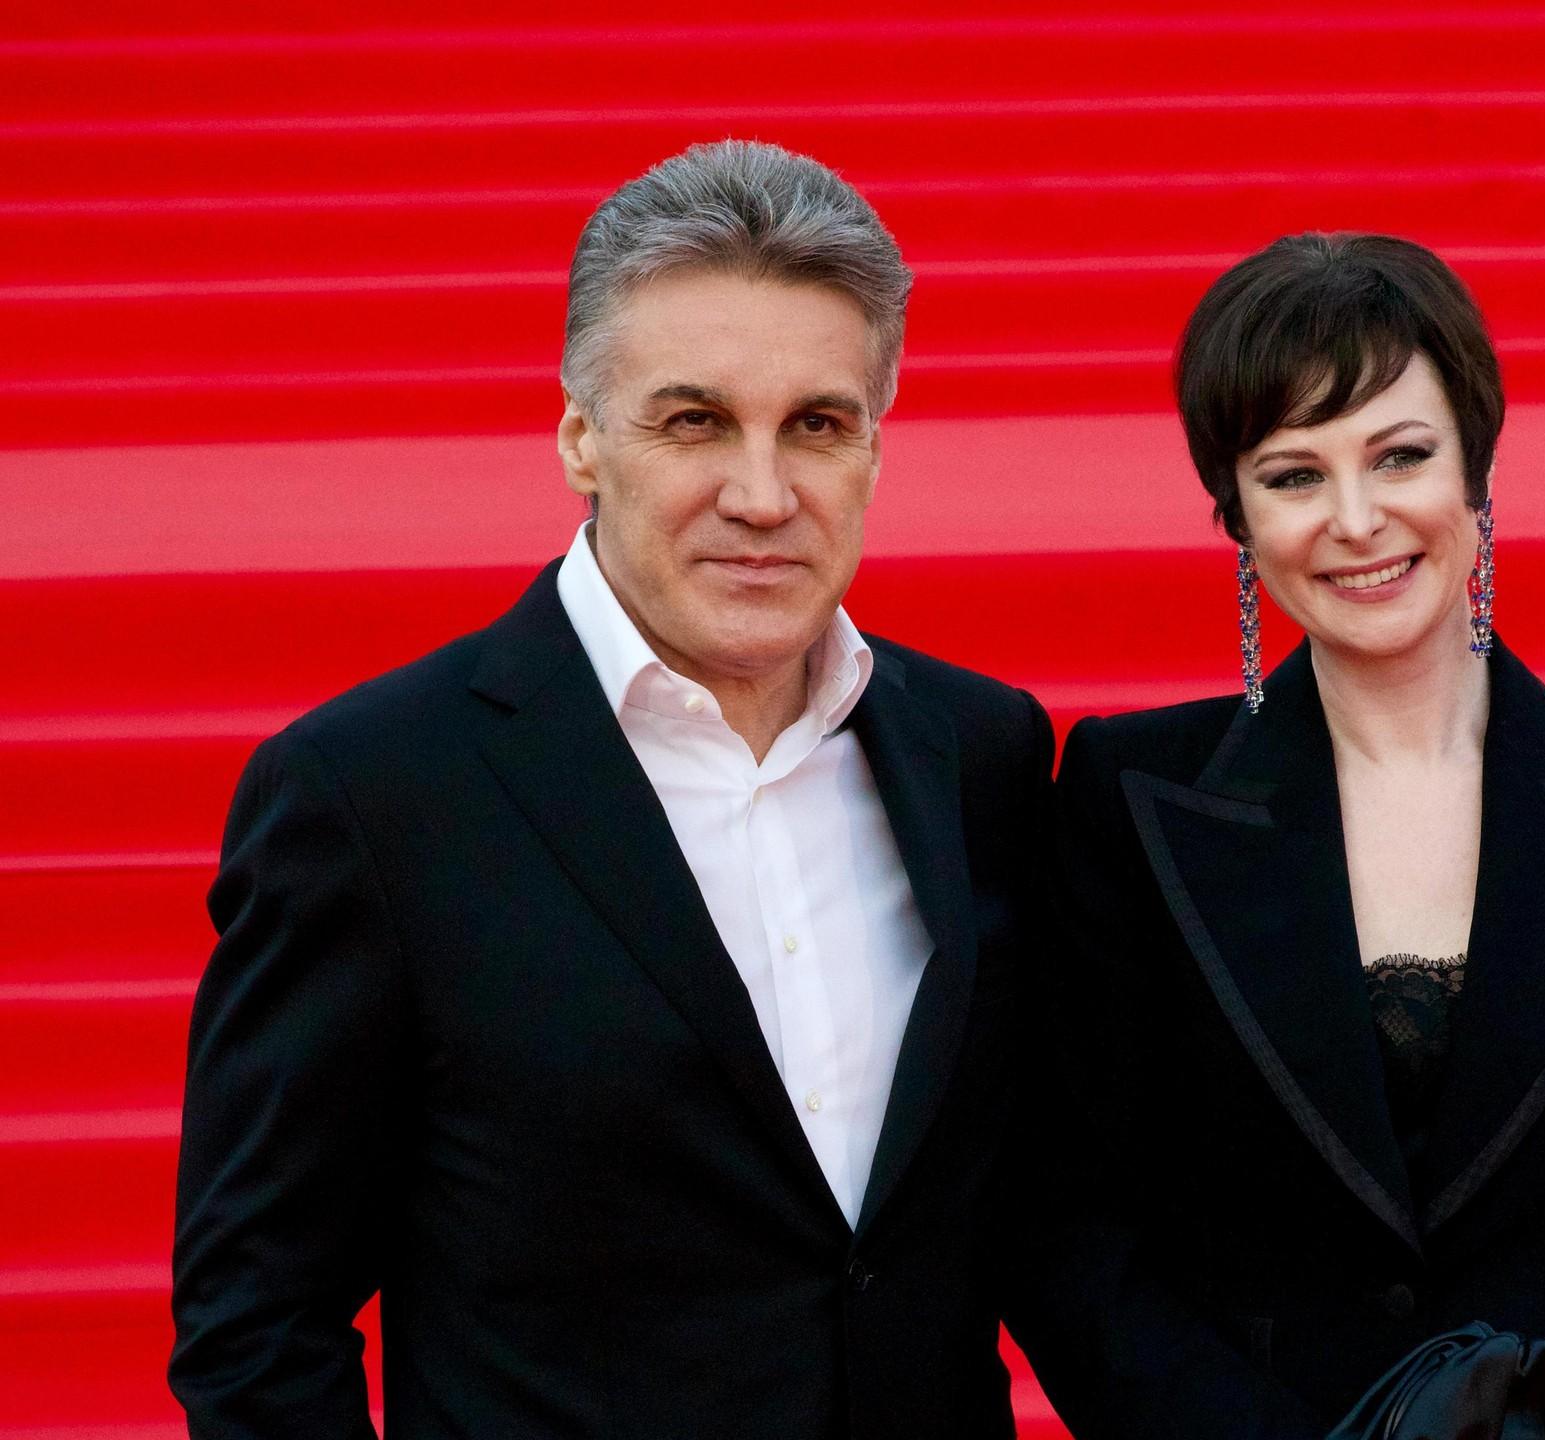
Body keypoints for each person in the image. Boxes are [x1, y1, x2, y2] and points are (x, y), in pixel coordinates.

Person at [168, 140, 1054, 1439]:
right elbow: (256, 1318)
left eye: (817, 426)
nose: (763, 495)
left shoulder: (979, 754)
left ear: (875, 445)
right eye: (695, 422)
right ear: (582, 438)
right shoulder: (373, 793)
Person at [1007, 233, 1545, 1437]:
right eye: (1294, 474)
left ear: (1476, 470)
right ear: (1235, 513)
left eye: (1401, 456)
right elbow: (1068, 1228)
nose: (1357, 519)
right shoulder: (1129, 793)